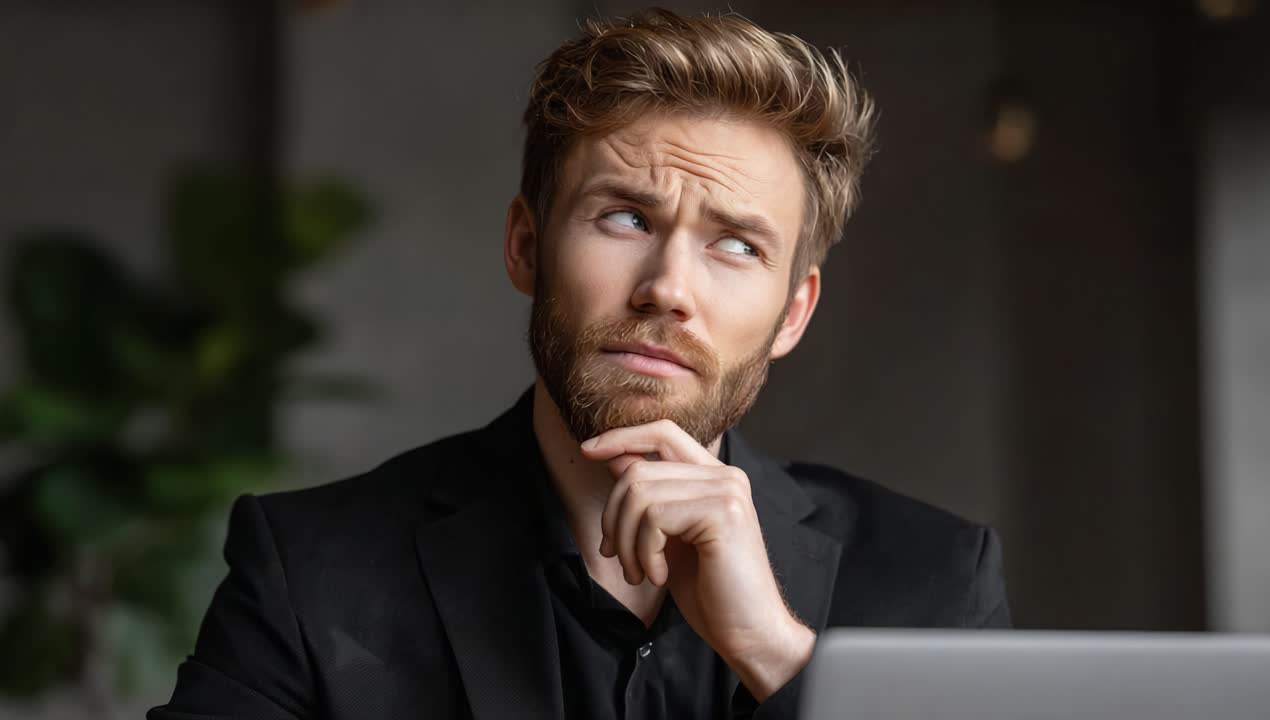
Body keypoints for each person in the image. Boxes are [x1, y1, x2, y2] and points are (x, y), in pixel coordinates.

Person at [150, 8, 1010, 720]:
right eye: (626, 219)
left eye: (738, 246)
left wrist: (776, 657)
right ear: (526, 246)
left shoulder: (932, 581)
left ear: (793, 313)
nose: (669, 288)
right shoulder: (313, 568)